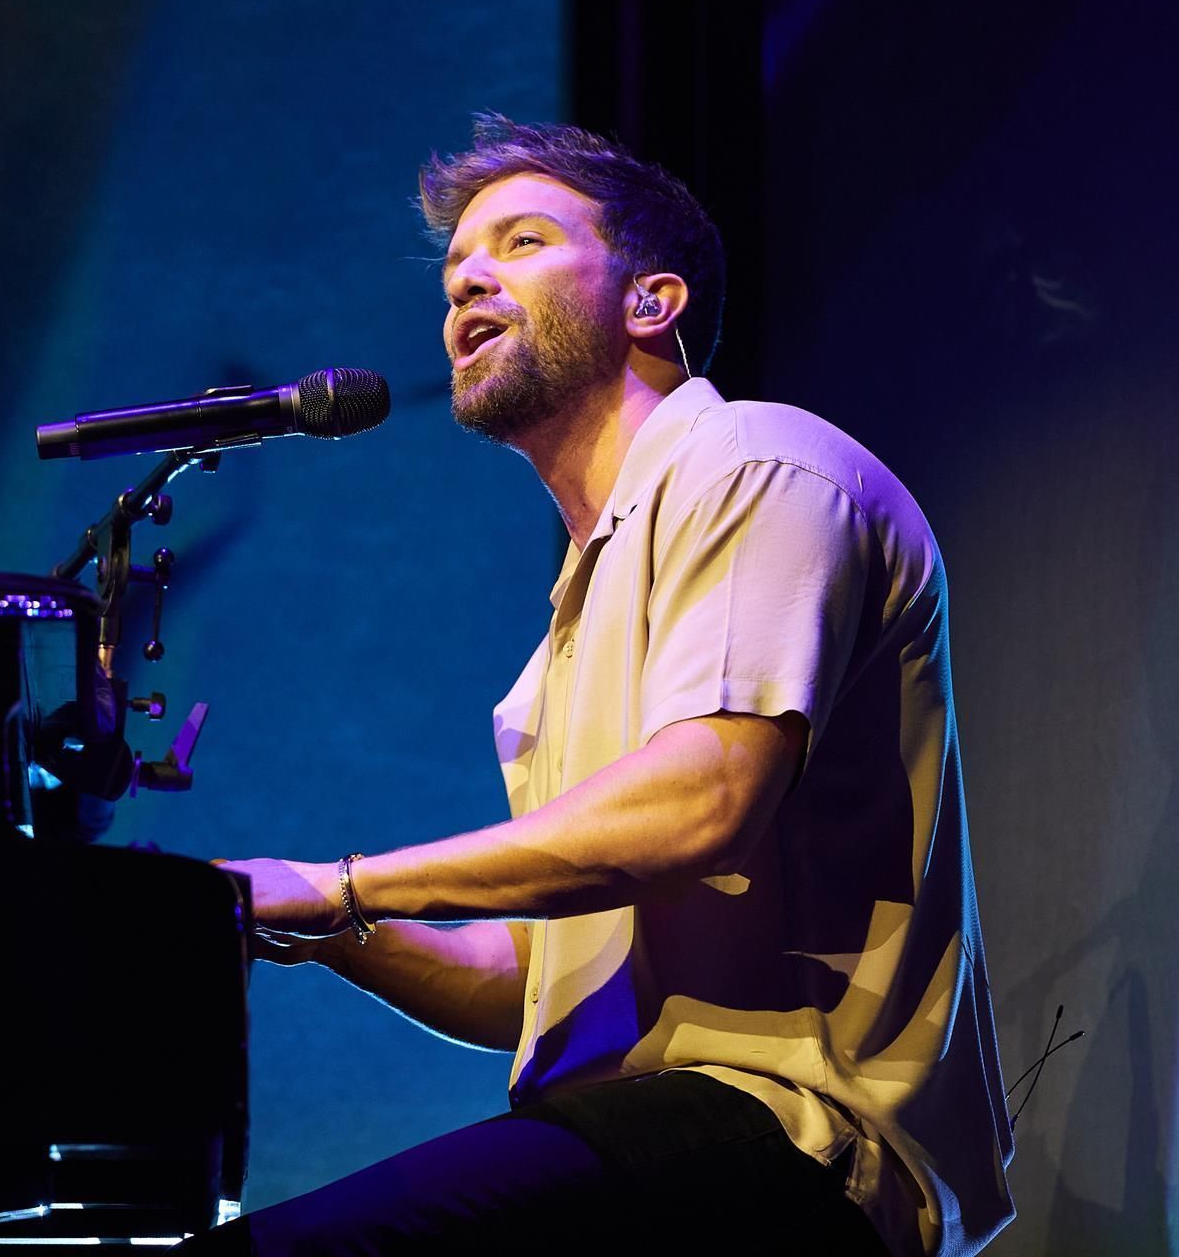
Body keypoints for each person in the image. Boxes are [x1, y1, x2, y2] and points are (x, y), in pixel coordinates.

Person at [181, 117, 1014, 1256]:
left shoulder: (755, 463)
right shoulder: (569, 627)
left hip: (782, 1141)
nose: (469, 276)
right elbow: (530, 980)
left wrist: (343, 885)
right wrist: (297, 912)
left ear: (651, 300)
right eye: (456, 267)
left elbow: (699, 804)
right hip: (633, 1135)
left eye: (520, 241)